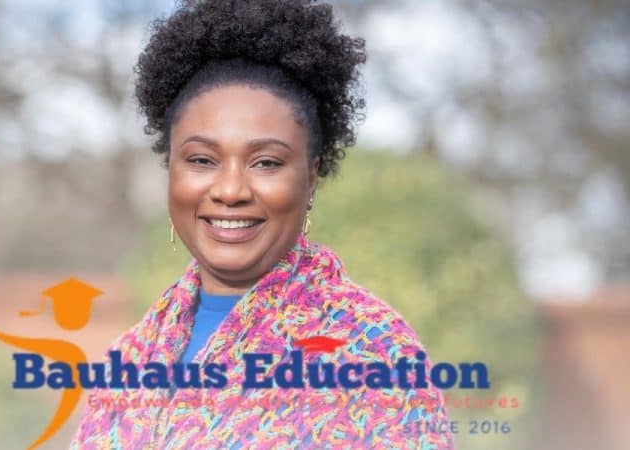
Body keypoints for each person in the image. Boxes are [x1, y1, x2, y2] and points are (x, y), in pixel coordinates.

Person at [71, 1, 453, 448]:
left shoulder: (375, 354)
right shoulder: (130, 360)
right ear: (170, 169)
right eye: (201, 160)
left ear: (310, 178)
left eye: (266, 162)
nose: (230, 190)